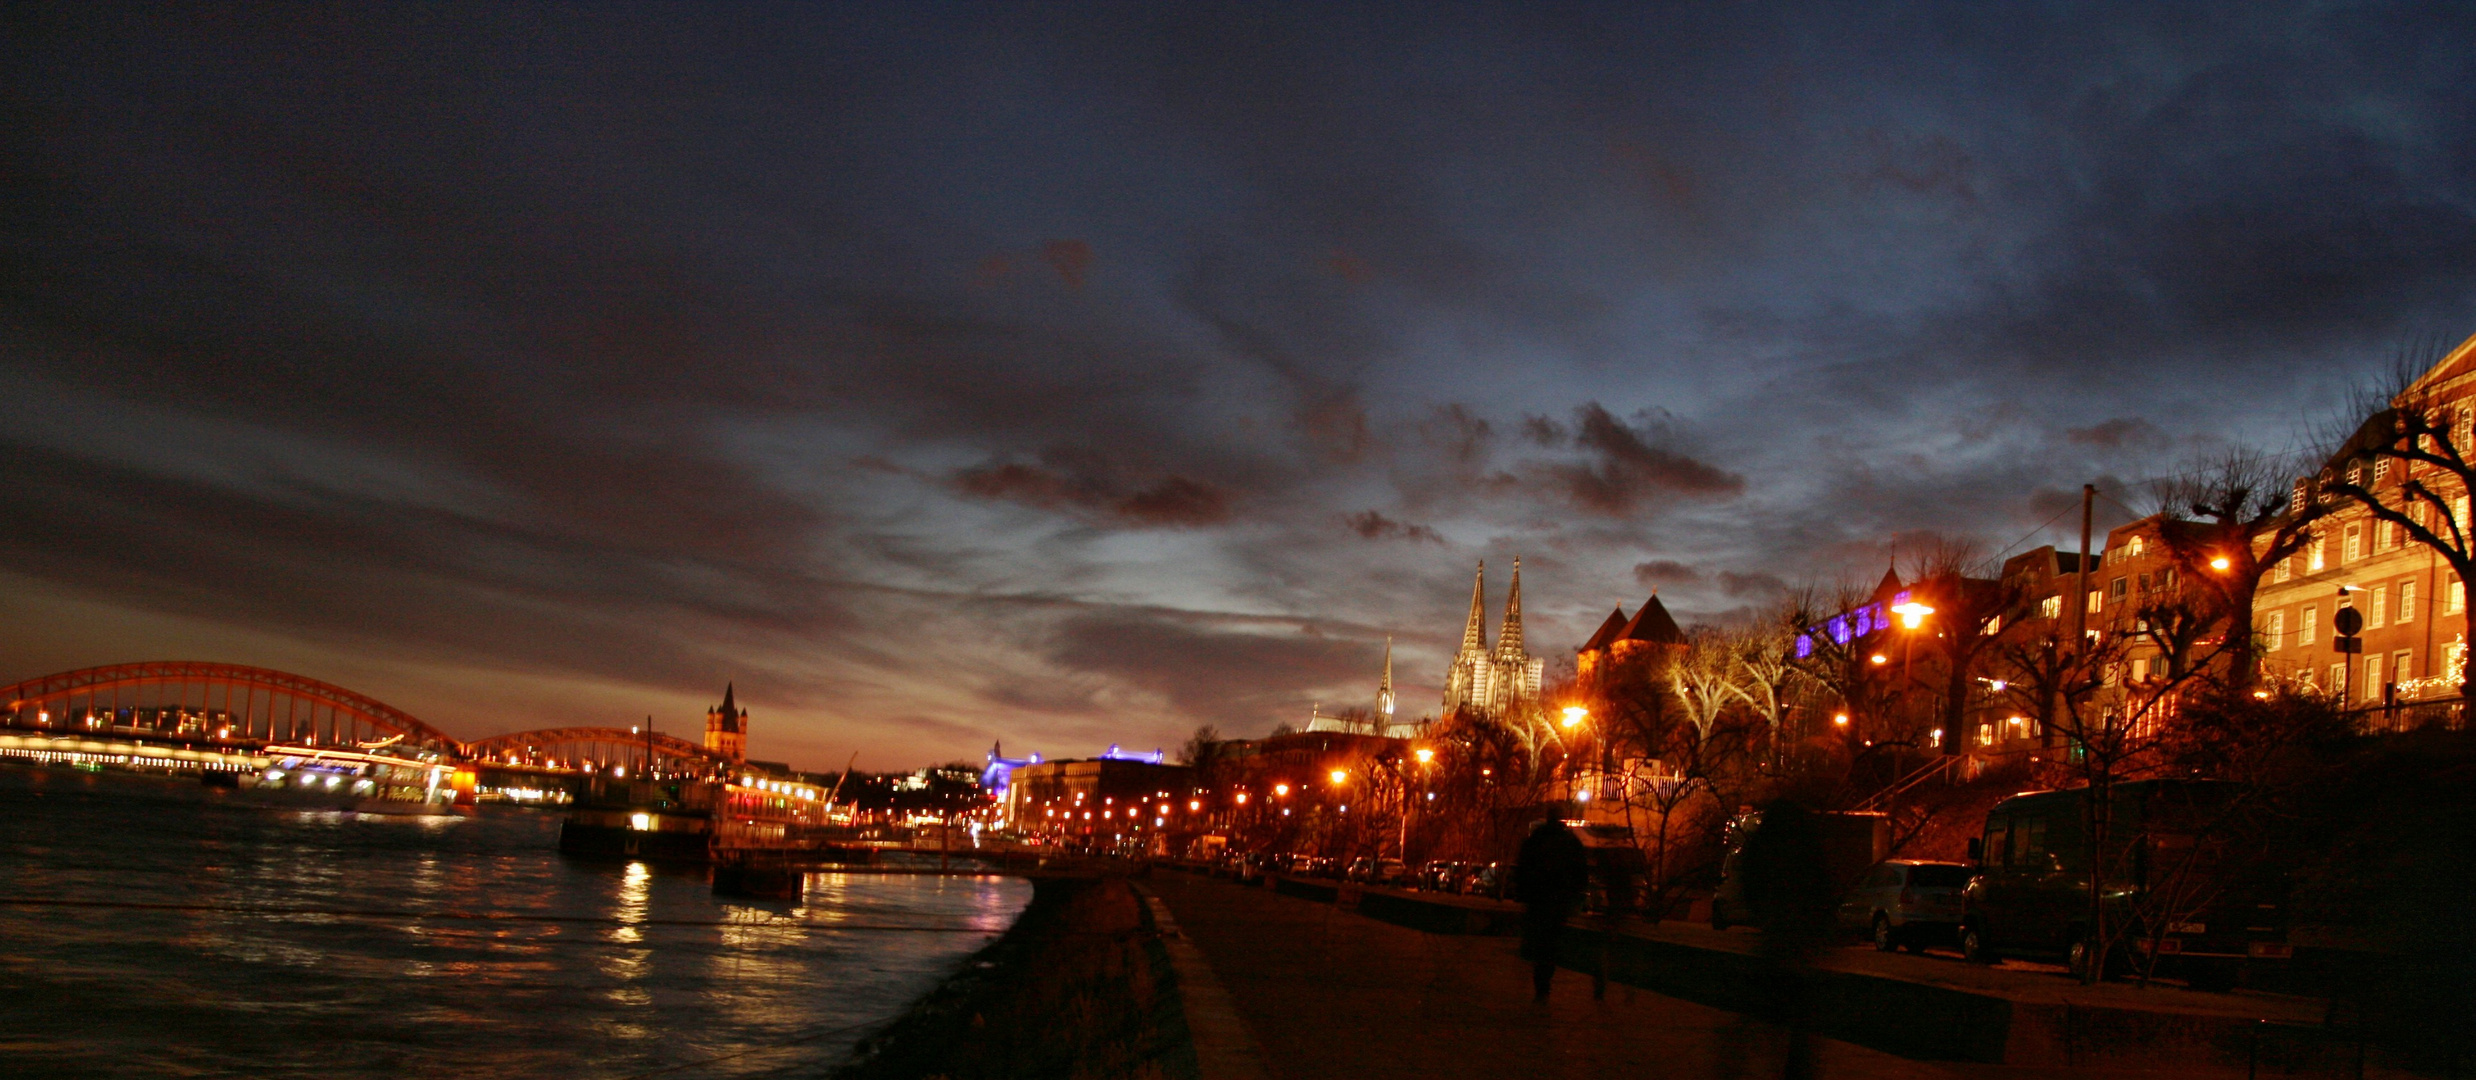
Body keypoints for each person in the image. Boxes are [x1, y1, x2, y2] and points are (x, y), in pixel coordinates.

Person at [1735, 798, 1834, 1080]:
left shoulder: (1764, 847)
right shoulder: (1808, 849)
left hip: (1776, 938)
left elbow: (1750, 885)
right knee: (1799, 1020)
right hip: (1800, 942)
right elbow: (1823, 891)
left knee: (1759, 1014)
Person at [1514, 810, 1590, 1002]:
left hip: (1538, 898)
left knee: (1539, 941)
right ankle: (1544, 982)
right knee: (1551, 943)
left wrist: (1523, 893)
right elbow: (1580, 871)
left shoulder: (1536, 839)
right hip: (1558, 900)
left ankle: (1540, 982)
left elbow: (1523, 867)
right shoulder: (1569, 842)